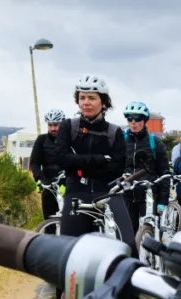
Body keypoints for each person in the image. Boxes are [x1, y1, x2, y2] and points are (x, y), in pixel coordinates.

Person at [55, 74, 132, 254]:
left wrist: (78, 163)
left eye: (92, 98)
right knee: (67, 250)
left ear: (103, 103)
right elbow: (61, 160)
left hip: (108, 192)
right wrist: (99, 159)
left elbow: (116, 168)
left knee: (127, 244)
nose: (86, 102)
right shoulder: (68, 126)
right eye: (82, 98)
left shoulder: (114, 132)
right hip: (76, 192)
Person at [122, 101, 170, 234]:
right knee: (129, 235)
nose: (133, 122)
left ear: (144, 120)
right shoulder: (121, 141)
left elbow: (165, 173)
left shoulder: (155, 143)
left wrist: (162, 201)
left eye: (137, 118)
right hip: (127, 196)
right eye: (130, 118)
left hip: (149, 197)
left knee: (152, 234)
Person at [29, 108, 66, 220]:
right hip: (48, 185)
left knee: (68, 220)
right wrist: (38, 179)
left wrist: (67, 181)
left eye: (56, 125)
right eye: (50, 125)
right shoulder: (41, 140)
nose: (53, 128)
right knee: (50, 219)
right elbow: (34, 163)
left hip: (66, 184)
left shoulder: (69, 139)